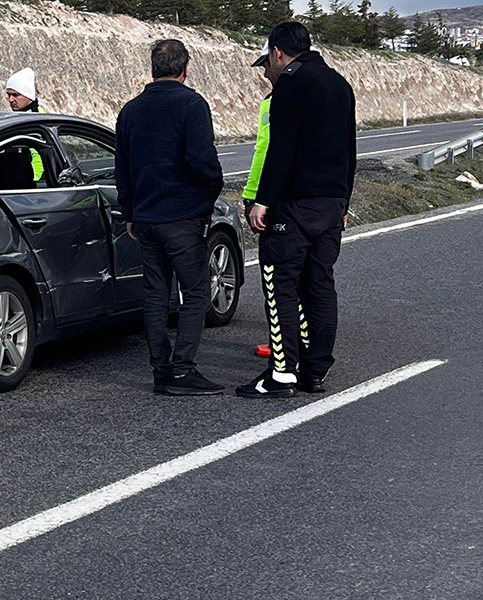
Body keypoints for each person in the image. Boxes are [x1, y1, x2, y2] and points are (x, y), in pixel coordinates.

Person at [237, 22, 356, 399]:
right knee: (320, 284)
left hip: (295, 204)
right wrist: (344, 201)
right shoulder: (339, 83)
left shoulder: (291, 83)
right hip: (331, 204)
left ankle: (282, 372)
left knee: (280, 285)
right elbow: (350, 149)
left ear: (277, 52)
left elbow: (280, 148)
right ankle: (314, 370)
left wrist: (264, 200)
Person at [115, 39, 225, 395]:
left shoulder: (130, 111)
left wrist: (130, 211)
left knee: (155, 294)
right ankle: (182, 370)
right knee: (195, 291)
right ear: (185, 68)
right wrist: (210, 192)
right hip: (182, 214)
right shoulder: (192, 104)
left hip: (146, 216)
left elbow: (122, 169)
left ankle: (160, 369)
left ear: (153, 69)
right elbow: (202, 160)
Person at [244, 39, 312, 364]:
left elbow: (267, 152)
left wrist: (255, 196)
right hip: (304, 200)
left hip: (275, 199)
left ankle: (287, 348)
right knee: (300, 278)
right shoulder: (307, 96)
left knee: (278, 280)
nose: (265, 74)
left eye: (266, 66)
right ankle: (302, 341)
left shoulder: (276, 102)